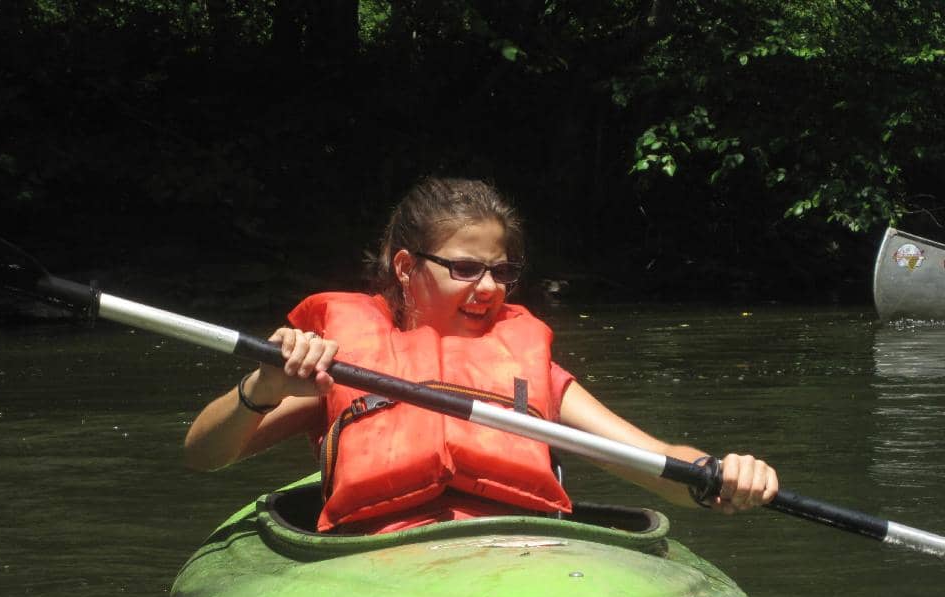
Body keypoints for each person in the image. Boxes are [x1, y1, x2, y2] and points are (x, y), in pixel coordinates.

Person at [184, 177, 778, 534]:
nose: (489, 288)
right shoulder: (341, 363)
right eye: (466, 270)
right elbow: (204, 455)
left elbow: (655, 461)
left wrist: (720, 475)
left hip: (518, 551)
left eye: (502, 271)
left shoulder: (532, 370)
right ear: (406, 268)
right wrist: (261, 388)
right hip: (383, 558)